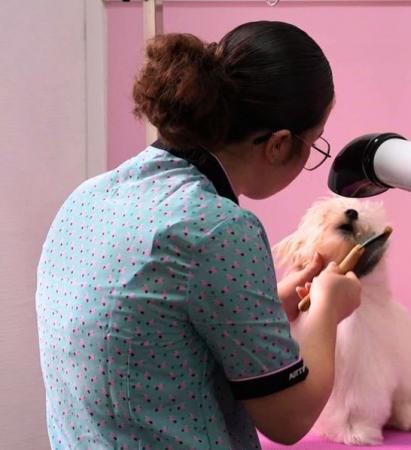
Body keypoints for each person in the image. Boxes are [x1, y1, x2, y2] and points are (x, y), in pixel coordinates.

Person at [36, 21, 362, 449]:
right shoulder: (219, 228)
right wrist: (327, 309)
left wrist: (272, 305)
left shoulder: (90, 195)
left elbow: (156, 336)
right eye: (314, 144)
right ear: (279, 144)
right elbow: (288, 418)